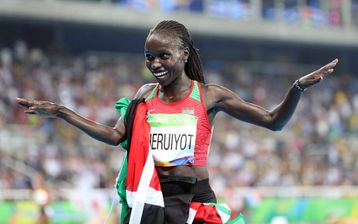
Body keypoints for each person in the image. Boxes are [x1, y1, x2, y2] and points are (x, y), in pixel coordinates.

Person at [16, 20, 338, 224]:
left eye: (163, 56)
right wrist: (61, 112)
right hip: (154, 200)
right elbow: (116, 137)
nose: (154, 64)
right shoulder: (144, 95)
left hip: (197, 202)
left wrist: (296, 89)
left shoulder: (210, 96)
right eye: (149, 57)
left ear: (183, 54)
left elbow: (273, 121)